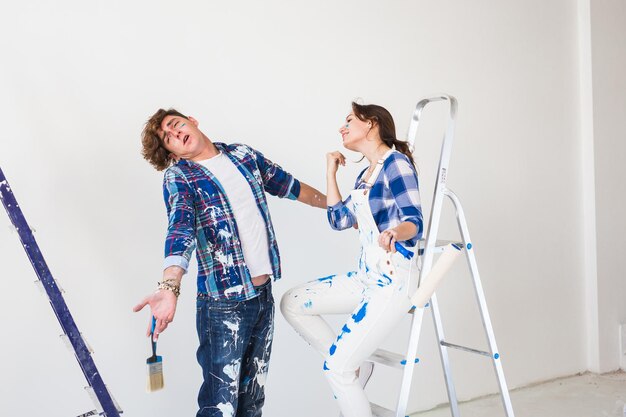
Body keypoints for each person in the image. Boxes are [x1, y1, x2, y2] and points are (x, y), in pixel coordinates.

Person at [133, 108, 326, 417]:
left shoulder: (243, 155)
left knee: (251, 403)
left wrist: (339, 209)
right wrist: (170, 286)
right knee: (219, 407)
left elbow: (290, 186)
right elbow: (180, 228)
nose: (175, 134)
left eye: (175, 125)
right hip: (222, 306)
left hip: (262, 296)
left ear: (192, 121)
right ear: (171, 152)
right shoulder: (180, 176)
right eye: (167, 139)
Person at [280, 102, 423, 417]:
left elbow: (415, 221)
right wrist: (330, 173)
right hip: (367, 277)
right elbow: (339, 220)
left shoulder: (396, 164)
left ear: (371, 124)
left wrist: (396, 233)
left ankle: (349, 366)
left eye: (348, 121)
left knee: (336, 370)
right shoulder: (364, 175)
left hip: (394, 279)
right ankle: (358, 363)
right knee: (292, 302)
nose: (341, 128)